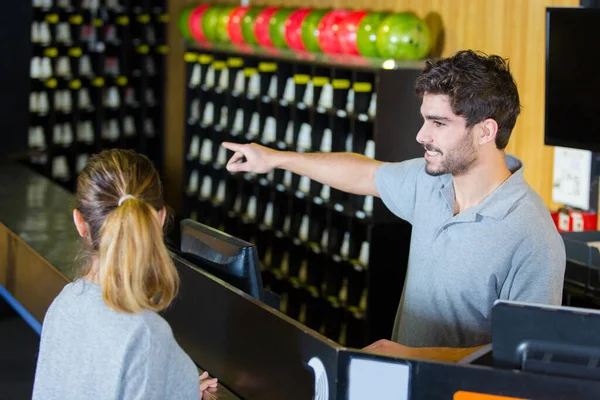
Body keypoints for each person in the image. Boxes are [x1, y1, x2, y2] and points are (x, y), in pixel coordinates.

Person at [221, 50, 566, 358]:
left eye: (439, 123)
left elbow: (524, 356)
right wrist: (276, 159)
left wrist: (411, 356)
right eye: (424, 119)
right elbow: (363, 175)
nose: (421, 135)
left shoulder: (531, 235)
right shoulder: (429, 182)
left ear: (486, 131)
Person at [32, 149, 218, 399]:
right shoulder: (146, 335)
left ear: (79, 222)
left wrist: (175, 387)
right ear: (160, 219)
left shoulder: (65, 302)